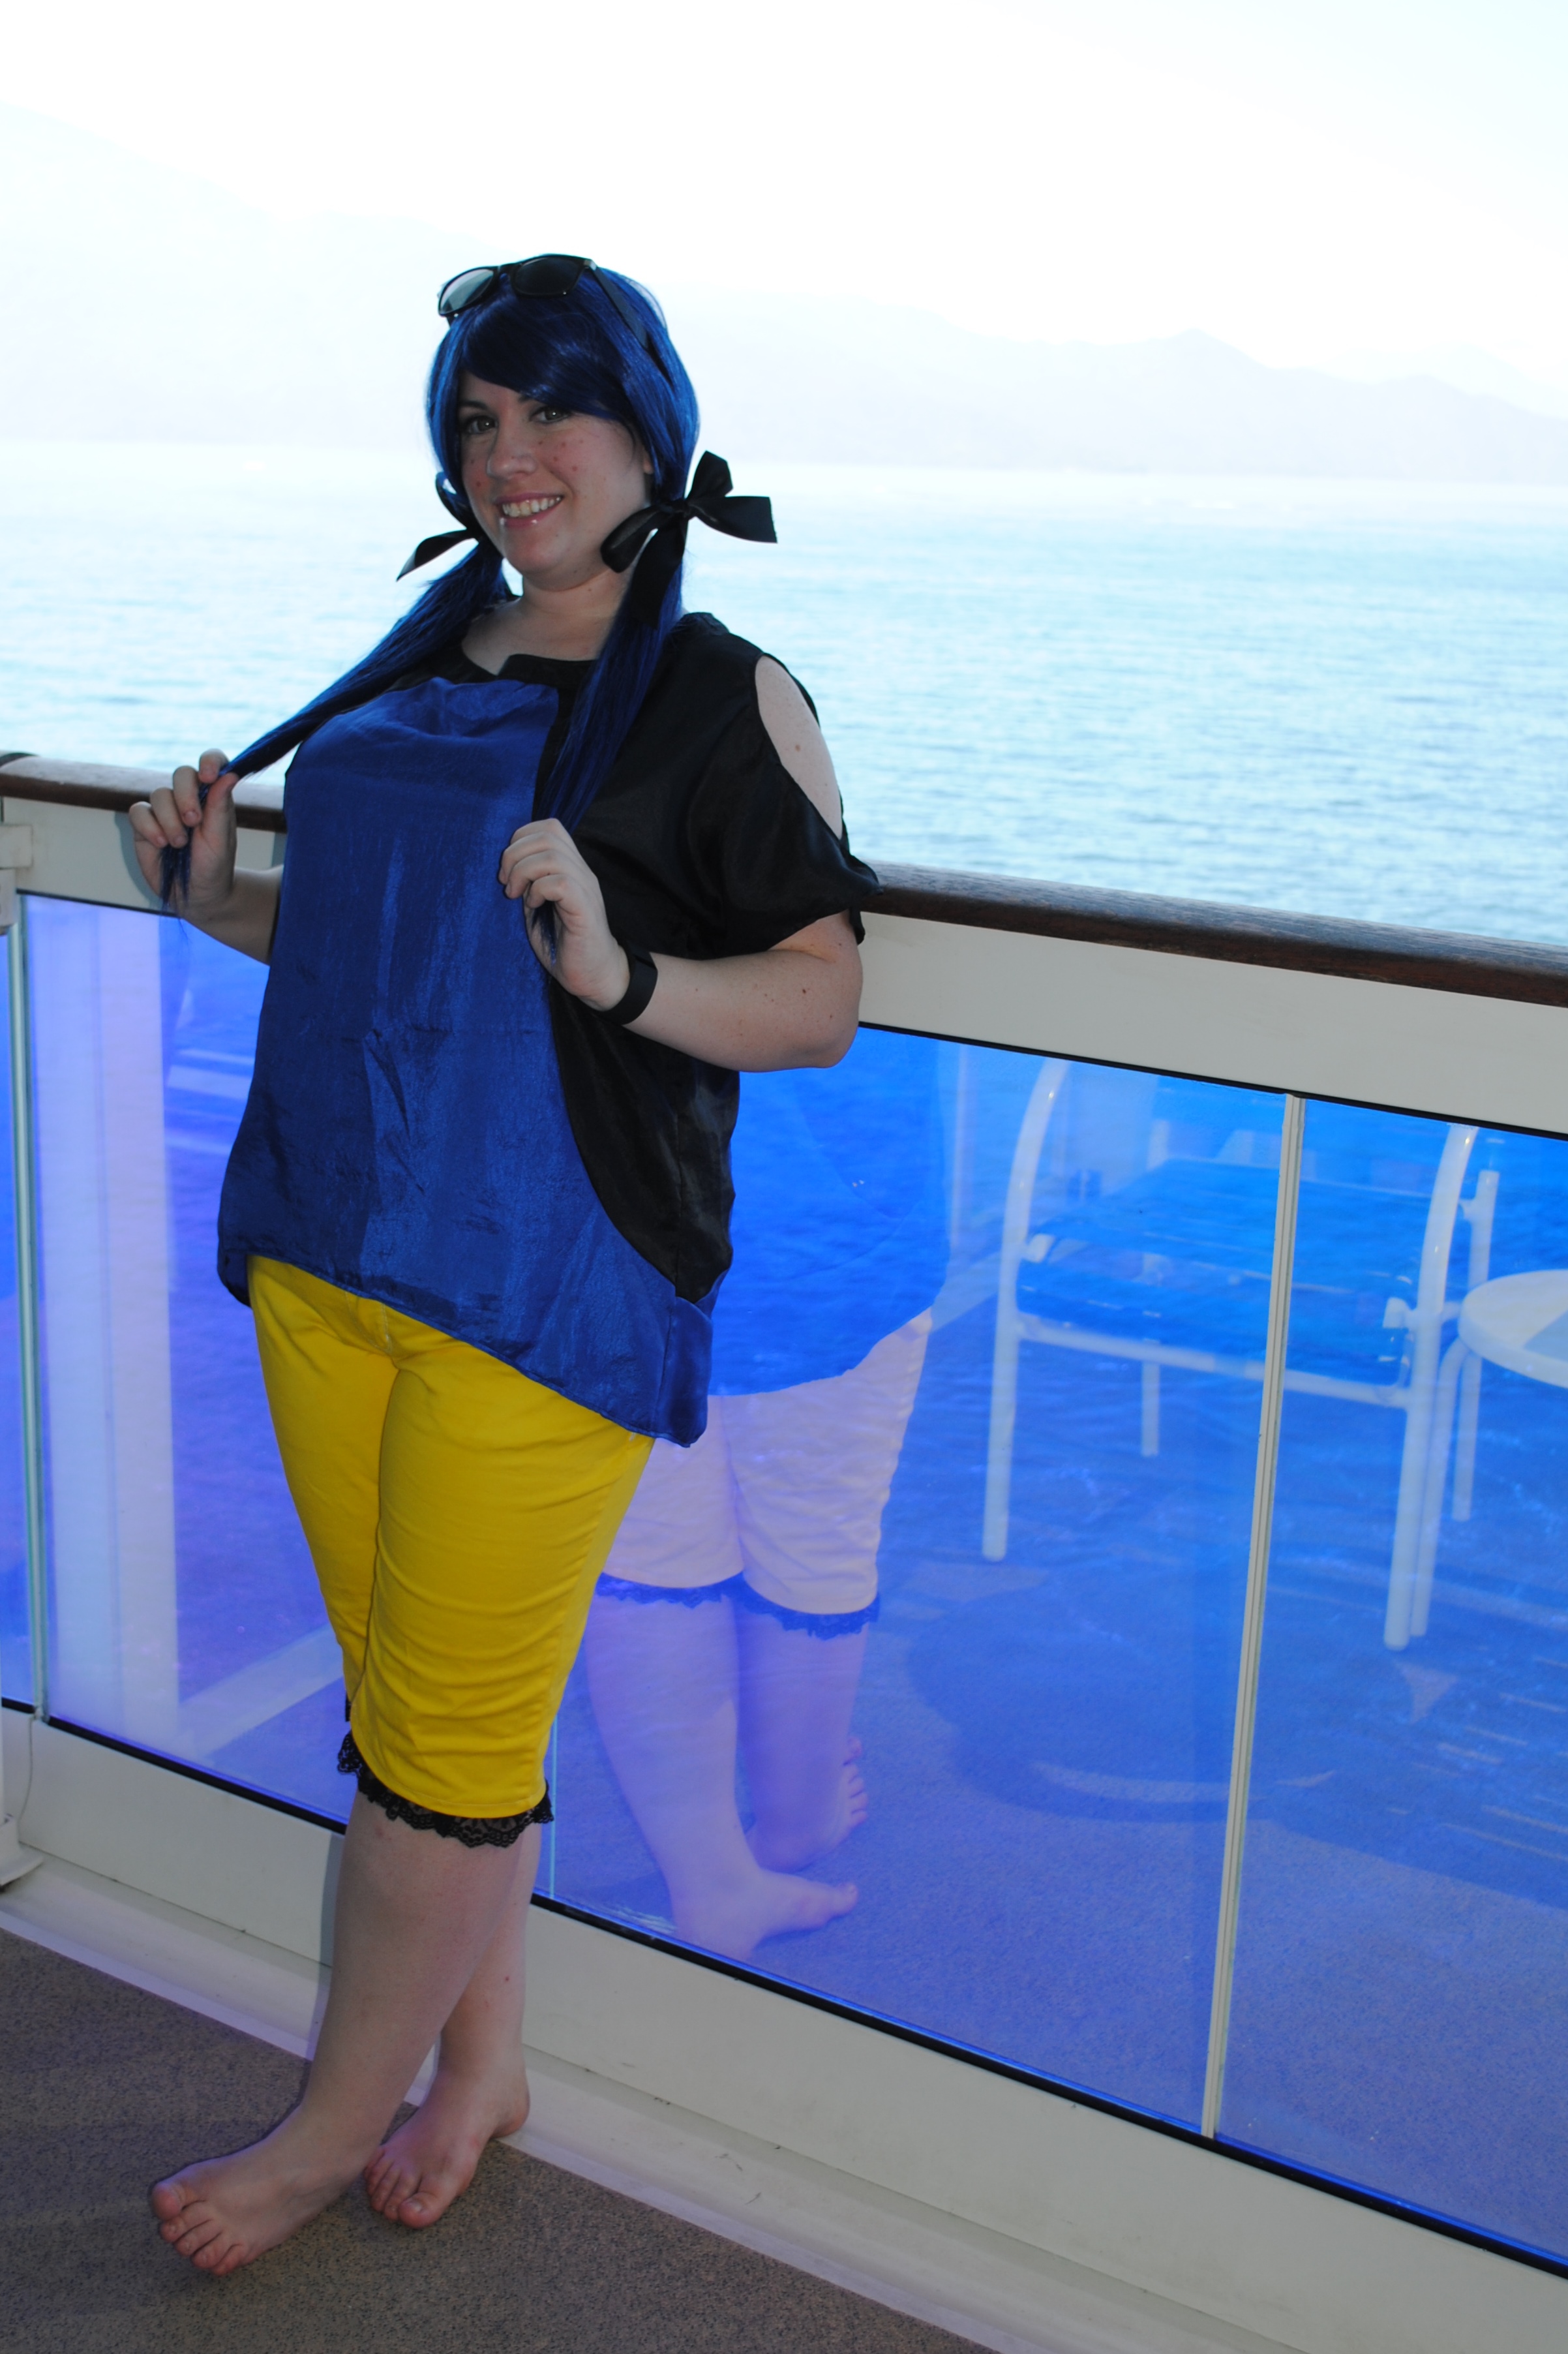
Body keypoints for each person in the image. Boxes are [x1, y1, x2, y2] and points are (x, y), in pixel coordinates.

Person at [127, 254, 874, 2275]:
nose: (509, 454)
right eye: (476, 419)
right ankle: (485, 2070)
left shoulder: (721, 695)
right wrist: (211, 893)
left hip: (547, 1287)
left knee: (440, 1754)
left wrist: (623, 973)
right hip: (331, 1253)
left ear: (649, 430)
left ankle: (324, 2129)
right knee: (427, 1727)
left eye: (551, 409)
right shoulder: (419, 652)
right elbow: (361, 945)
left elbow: (818, 1001)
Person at [584, 1033, 948, 1962]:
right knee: (814, 1527)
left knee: (650, 1543)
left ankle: (709, 1877)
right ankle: (795, 1817)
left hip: (623, 1172)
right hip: (827, 1206)